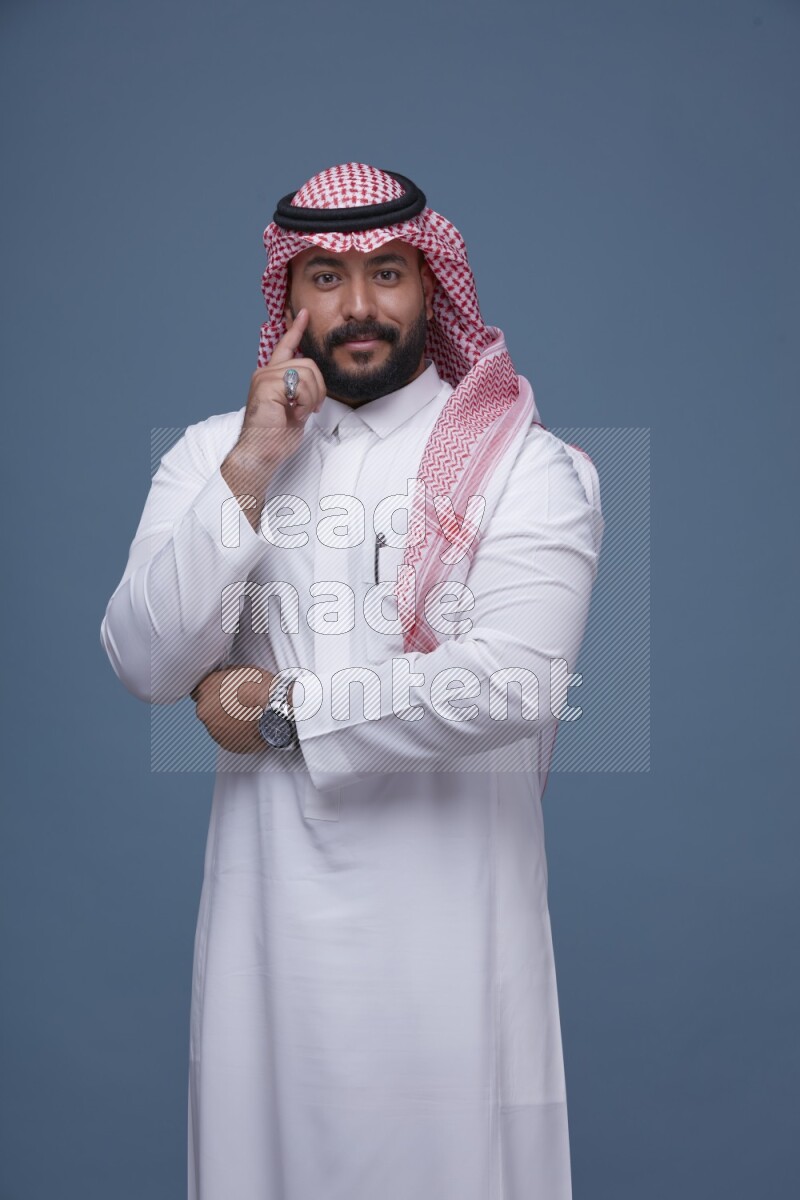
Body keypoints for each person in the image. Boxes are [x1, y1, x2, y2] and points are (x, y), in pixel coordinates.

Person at [100, 162, 604, 1200]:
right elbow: (147, 661)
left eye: (387, 273)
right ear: (287, 295)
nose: (359, 304)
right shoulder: (212, 457)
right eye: (325, 277)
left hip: (454, 938)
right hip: (268, 941)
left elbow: (513, 682)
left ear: (431, 286)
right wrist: (253, 466)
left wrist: (279, 710)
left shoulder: (528, 466)